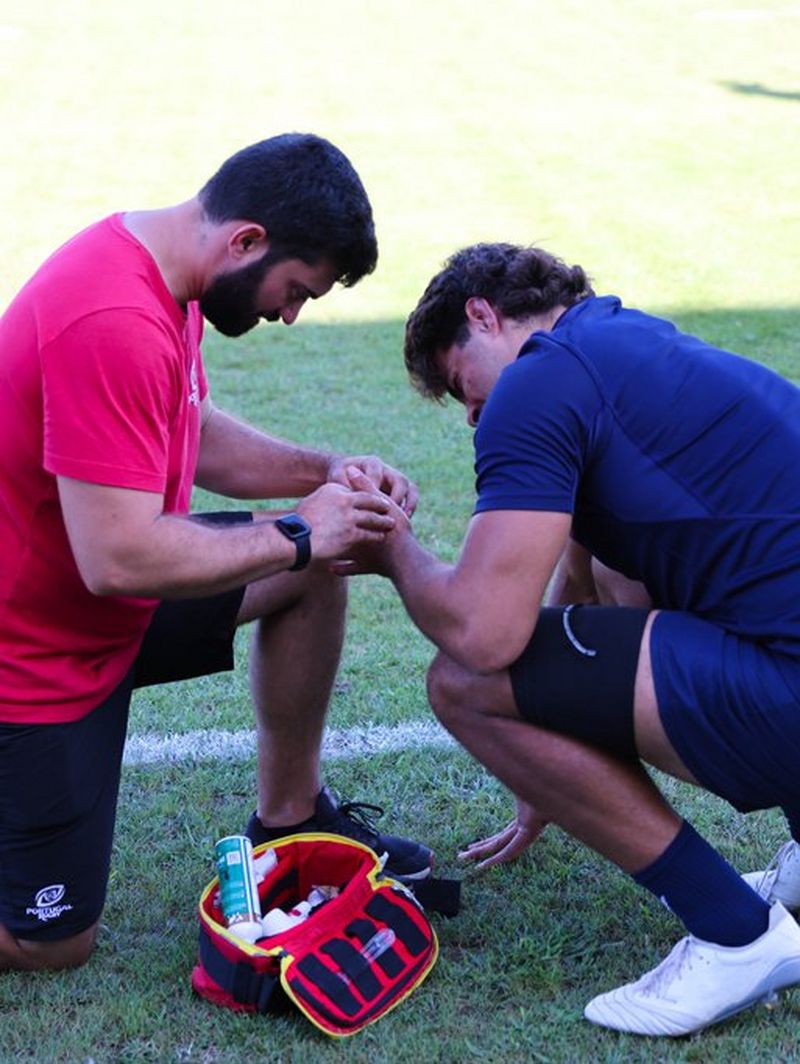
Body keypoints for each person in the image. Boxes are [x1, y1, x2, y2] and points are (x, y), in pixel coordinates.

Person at [338, 241, 800, 1037]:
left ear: (483, 315)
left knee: (461, 682)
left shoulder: (541, 380)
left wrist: (393, 552)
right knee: (674, 590)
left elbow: (484, 636)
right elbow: (585, 585)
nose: (476, 415)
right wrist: (550, 750)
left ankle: (736, 936)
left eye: (463, 386)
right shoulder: (620, 340)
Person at [0, 133, 432, 974]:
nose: (291, 313)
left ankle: (290, 817)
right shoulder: (114, 319)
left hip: (105, 609)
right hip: (33, 651)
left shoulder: (170, 277)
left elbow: (190, 435)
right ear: (246, 242)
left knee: (310, 574)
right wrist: (300, 529)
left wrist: (324, 473)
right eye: (296, 289)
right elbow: (117, 561)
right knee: (49, 941)